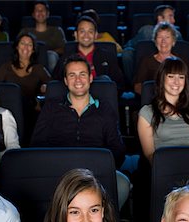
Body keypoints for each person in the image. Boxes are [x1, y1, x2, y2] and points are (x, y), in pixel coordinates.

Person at [31, 54, 129, 208]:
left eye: (82, 74)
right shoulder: (51, 107)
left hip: (96, 172)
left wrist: (99, 168)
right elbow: (37, 144)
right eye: (72, 75)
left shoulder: (104, 109)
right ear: (65, 80)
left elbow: (117, 149)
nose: (78, 80)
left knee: (122, 184)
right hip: (59, 171)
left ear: (90, 78)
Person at [137, 57, 189, 164]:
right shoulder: (147, 113)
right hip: (165, 167)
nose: (176, 82)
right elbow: (150, 155)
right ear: (162, 79)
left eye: (181, 77)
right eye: (171, 76)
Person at [0, 32, 51, 142]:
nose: (26, 47)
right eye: (22, 43)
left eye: (29, 44)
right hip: (9, 108)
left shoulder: (38, 68)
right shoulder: (6, 67)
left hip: (31, 110)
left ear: (33, 49)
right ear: (17, 47)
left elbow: (52, 86)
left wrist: (45, 86)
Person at [52, 15, 125, 93]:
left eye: (90, 31)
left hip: (101, 99)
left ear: (96, 35)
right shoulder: (66, 58)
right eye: (82, 31)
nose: (86, 35)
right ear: (76, 35)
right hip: (73, 99)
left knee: (104, 79)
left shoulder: (107, 56)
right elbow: (56, 84)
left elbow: (119, 84)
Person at [122, 4, 183, 85]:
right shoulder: (146, 30)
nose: (173, 20)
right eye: (170, 16)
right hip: (143, 62)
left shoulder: (177, 34)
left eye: (167, 37)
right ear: (160, 18)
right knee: (127, 52)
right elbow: (129, 45)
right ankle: (130, 85)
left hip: (168, 64)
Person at [133, 22, 189, 96]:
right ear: (155, 41)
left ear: (173, 41)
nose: (163, 41)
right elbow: (137, 86)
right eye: (160, 37)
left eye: (167, 37)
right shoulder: (146, 60)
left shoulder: (182, 61)